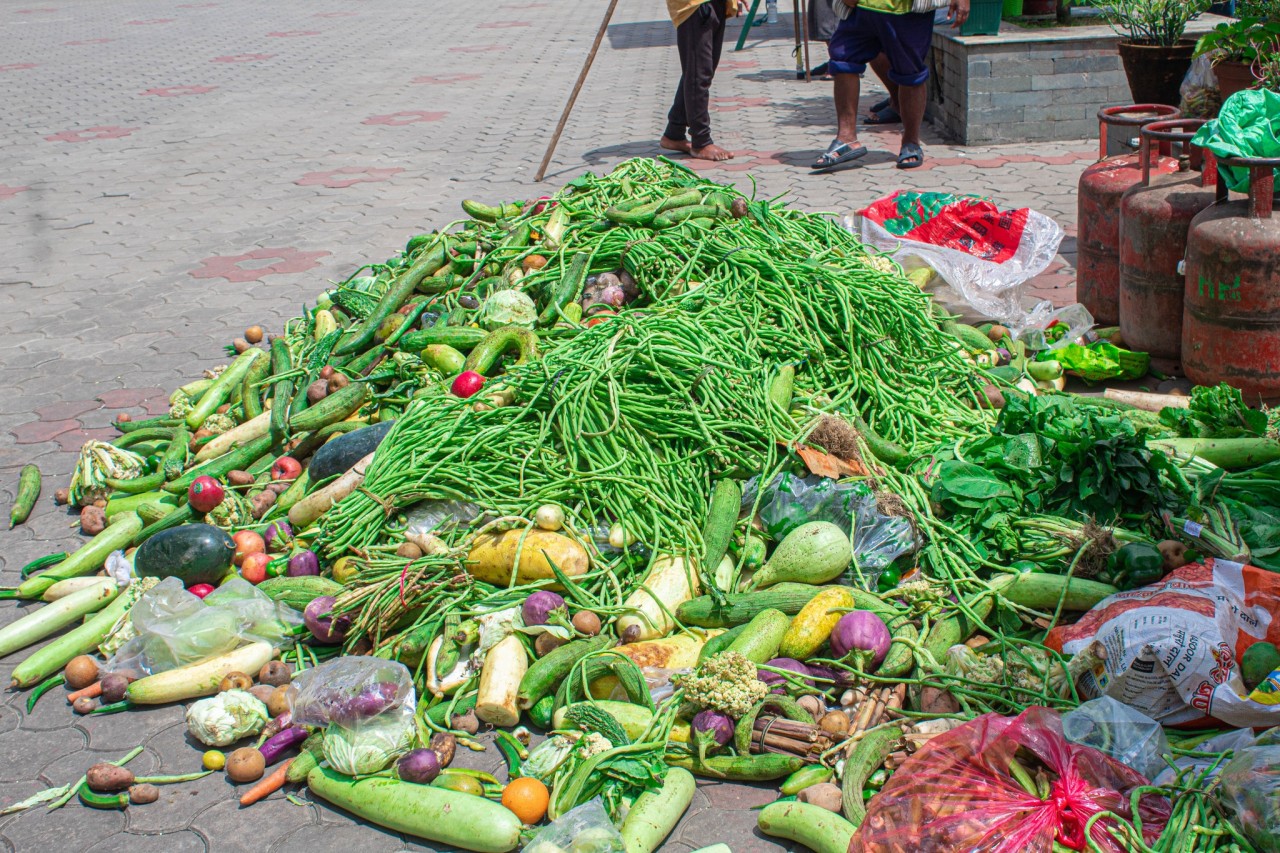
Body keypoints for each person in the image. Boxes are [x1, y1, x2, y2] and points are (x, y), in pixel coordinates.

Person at [812, 0, 968, 171]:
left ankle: (911, 142)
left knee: (910, 72)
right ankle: (846, 138)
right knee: (842, 59)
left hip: (908, 11)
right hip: (861, 8)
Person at [661, 0, 739, 162]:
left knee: (700, 70)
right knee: (698, 74)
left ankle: (674, 132)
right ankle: (701, 142)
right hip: (695, 6)